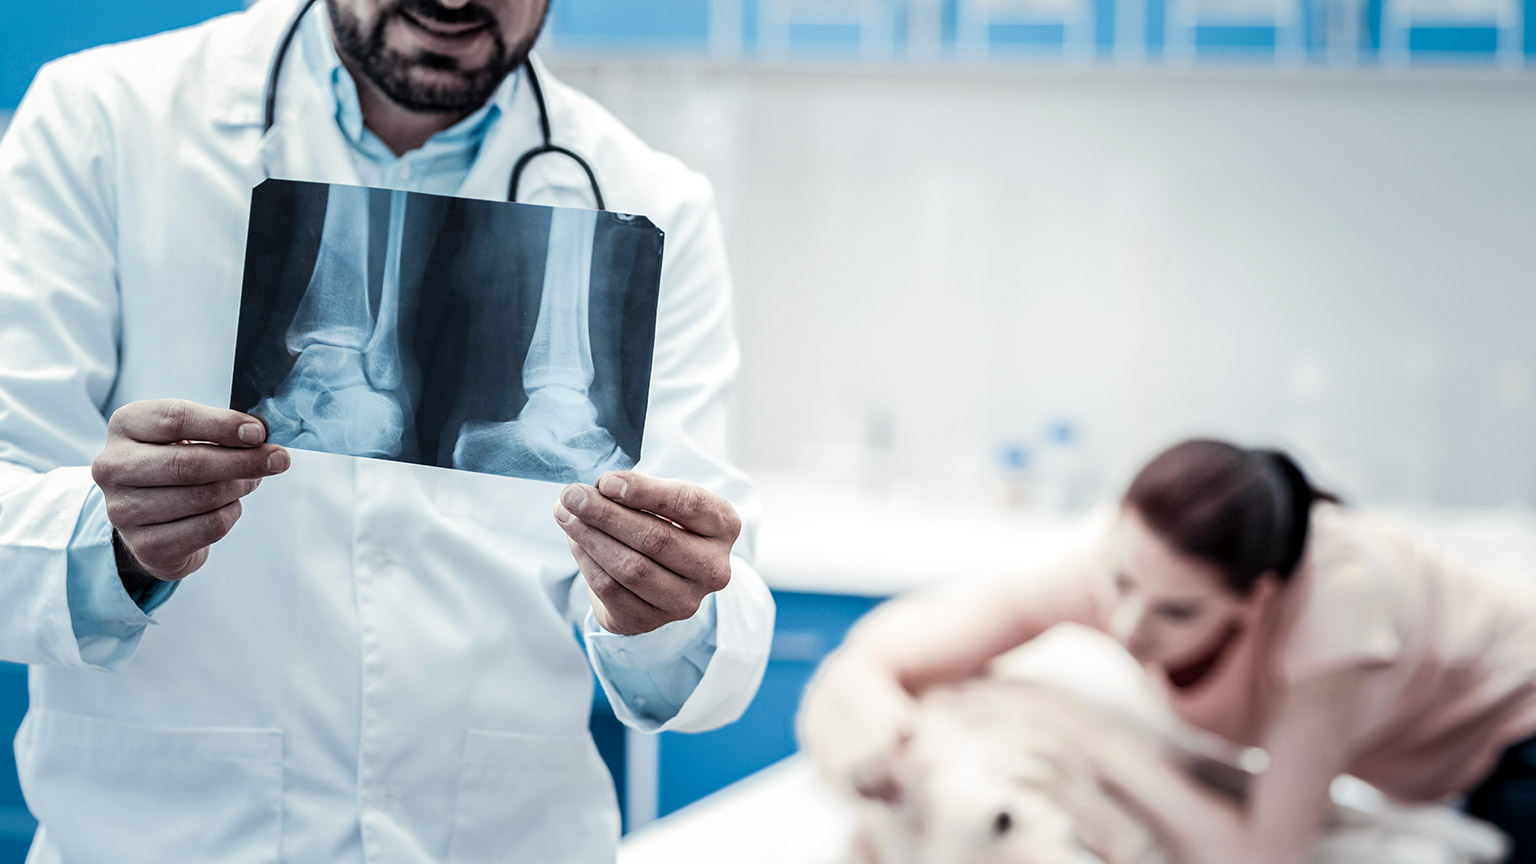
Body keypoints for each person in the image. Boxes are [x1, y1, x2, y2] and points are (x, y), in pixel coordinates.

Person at [0, 0, 774, 861]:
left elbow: (720, 637)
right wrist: (109, 539)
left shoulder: (652, 197)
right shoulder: (99, 123)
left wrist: (666, 604)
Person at [800, 439, 1536, 864]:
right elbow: (888, 650)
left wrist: (1091, 737)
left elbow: (1261, 856)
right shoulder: (1126, 572)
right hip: (1436, 773)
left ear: (1258, 601)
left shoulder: (1338, 605)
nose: (1129, 622)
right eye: (1121, 577)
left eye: (1177, 611)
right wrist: (878, 713)